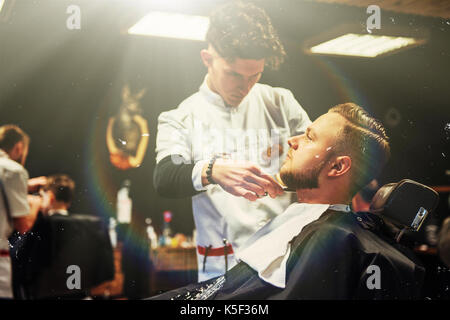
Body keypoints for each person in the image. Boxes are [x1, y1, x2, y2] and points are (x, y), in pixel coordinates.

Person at [151, 103, 425, 300]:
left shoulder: (332, 240)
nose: (292, 141)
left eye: (309, 137)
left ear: (338, 167)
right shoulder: (318, 227)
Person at [154, 1, 311, 282]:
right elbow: (165, 176)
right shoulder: (180, 117)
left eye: (255, 76)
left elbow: (316, 154)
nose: (245, 87)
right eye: (234, 75)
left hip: (286, 258)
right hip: (223, 266)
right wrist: (211, 170)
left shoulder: (280, 103)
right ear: (207, 58)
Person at [0, 124, 43, 299]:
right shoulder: (14, 170)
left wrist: (24, 186)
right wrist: (36, 203)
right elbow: (23, 225)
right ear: (18, 147)